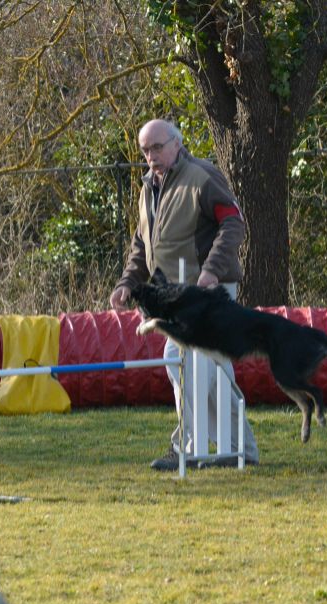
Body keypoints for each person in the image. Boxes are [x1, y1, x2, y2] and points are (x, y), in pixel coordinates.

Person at [109, 119, 259, 470]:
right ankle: (240, 449)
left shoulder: (203, 178)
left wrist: (211, 270)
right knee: (204, 373)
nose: (151, 156)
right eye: (145, 150)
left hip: (208, 293)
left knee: (188, 364)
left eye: (157, 147)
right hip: (175, 298)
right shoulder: (148, 187)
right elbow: (141, 244)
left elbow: (233, 223)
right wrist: (127, 283)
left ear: (177, 143)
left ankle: (188, 448)